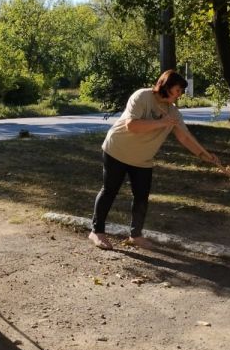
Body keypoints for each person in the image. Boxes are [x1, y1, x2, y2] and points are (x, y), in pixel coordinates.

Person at [88, 69, 222, 250]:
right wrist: (162, 122)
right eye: (177, 90)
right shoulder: (142, 97)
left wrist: (206, 156)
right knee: (109, 191)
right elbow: (132, 125)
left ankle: (135, 236)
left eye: (181, 91)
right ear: (165, 86)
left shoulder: (173, 113)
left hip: (143, 159)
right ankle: (97, 232)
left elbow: (185, 137)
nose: (180, 95)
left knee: (141, 197)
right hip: (117, 151)